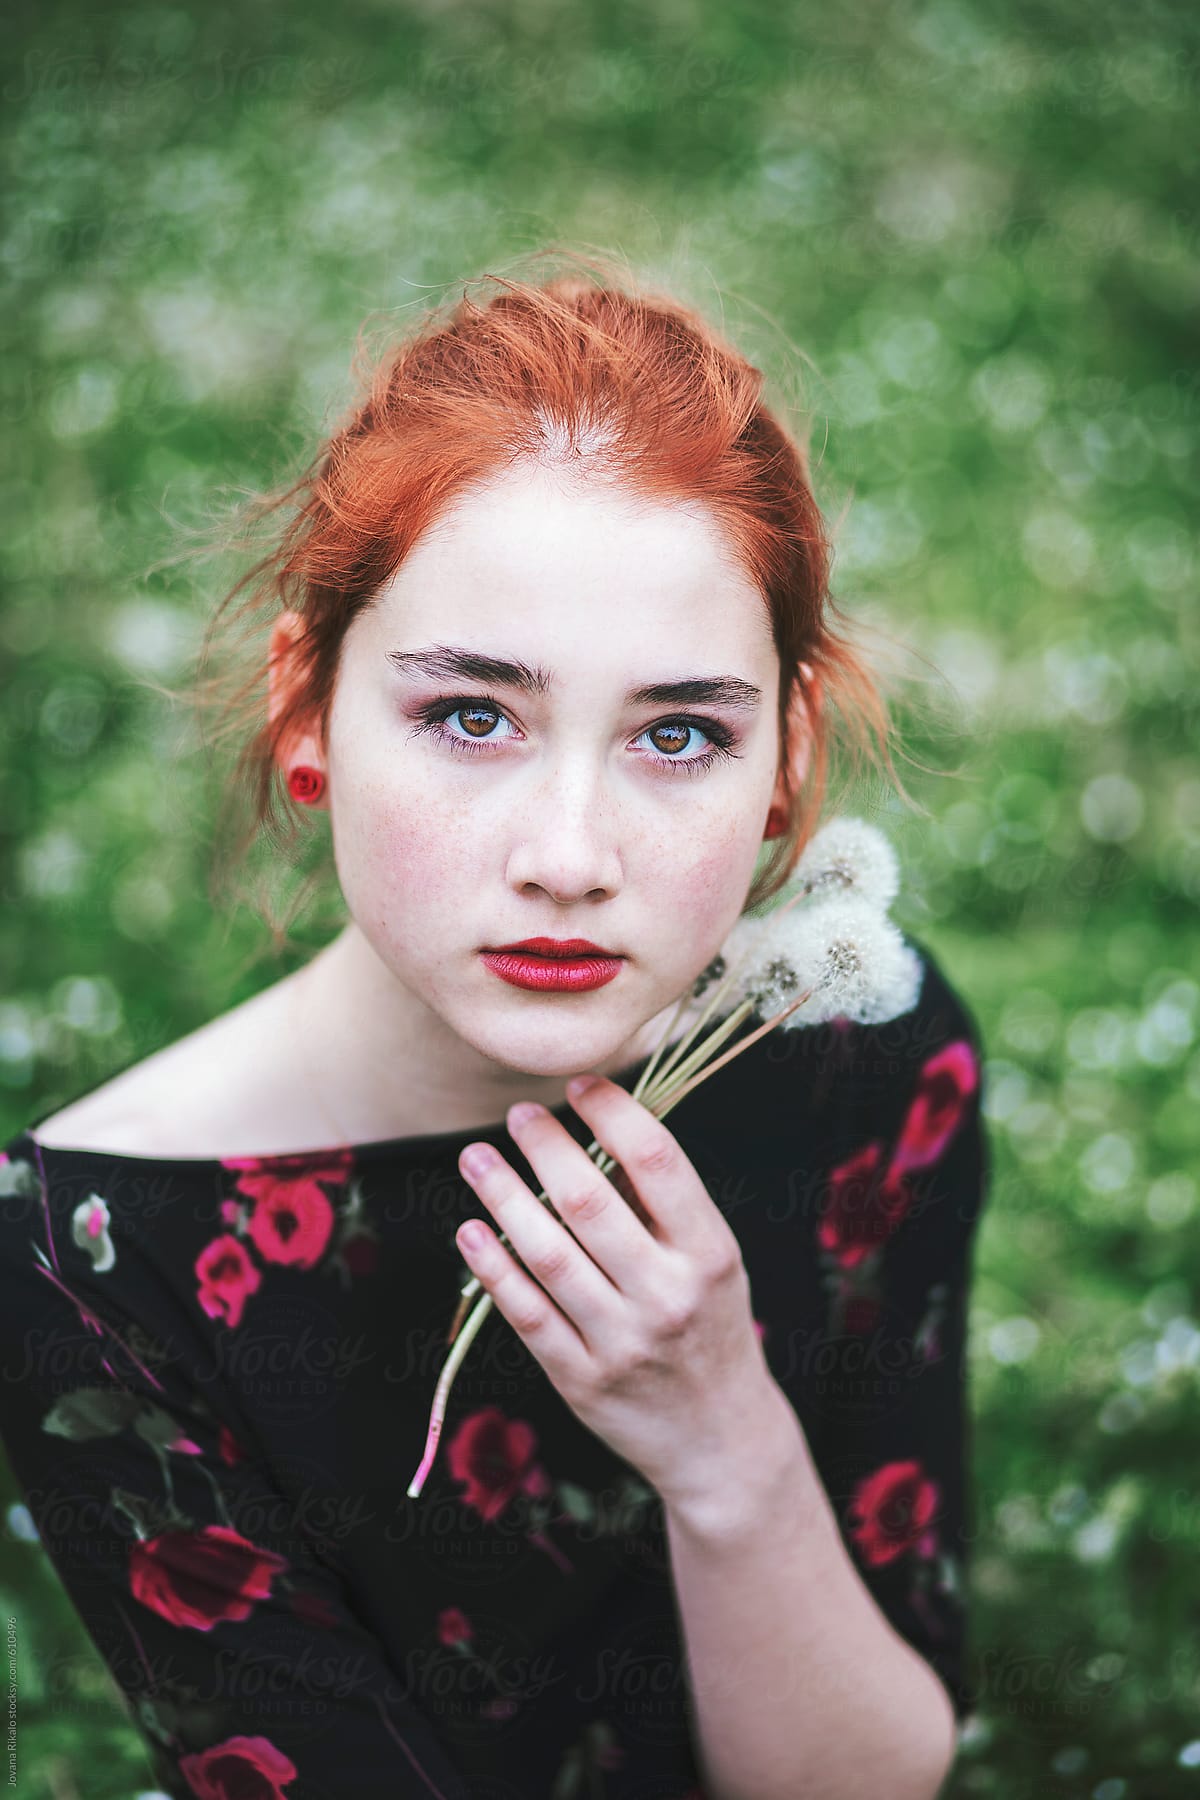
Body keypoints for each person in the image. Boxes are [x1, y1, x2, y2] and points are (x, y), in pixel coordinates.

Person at [0, 253, 989, 1799]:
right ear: (309, 712)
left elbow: (874, 1776)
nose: (570, 853)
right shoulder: (89, 1253)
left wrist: (727, 1444)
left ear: (785, 759)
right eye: (472, 716)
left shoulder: (863, 1052)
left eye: (678, 734)